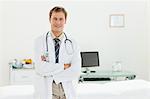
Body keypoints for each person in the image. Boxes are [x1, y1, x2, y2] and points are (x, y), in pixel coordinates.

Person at [34, 6, 81, 99]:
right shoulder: (39, 41)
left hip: (67, 89)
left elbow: (76, 70)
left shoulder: (73, 42)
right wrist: (63, 66)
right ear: (50, 20)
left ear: (65, 21)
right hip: (47, 89)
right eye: (55, 19)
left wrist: (52, 74)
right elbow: (40, 68)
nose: (58, 22)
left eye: (61, 19)